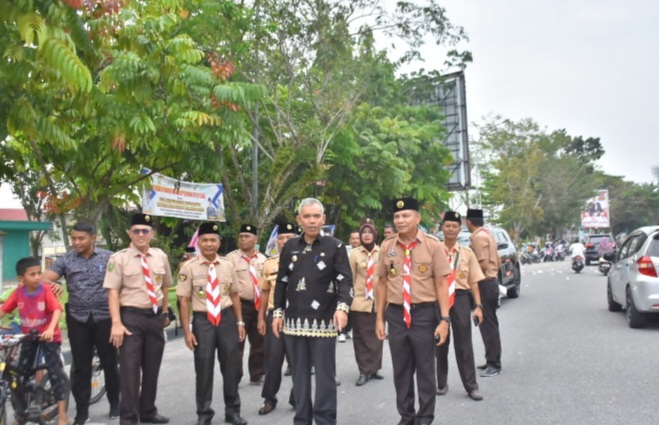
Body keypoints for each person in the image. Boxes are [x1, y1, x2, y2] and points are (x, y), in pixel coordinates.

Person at [273, 198, 353, 425]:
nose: (312, 221)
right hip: (294, 322)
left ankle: (326, 420)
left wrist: (342, 308)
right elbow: (282, 281)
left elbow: (345, 280)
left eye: (316, 216)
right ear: (299, 220)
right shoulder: (289, 247)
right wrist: (278, 313)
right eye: (307, 216)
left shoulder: (335, 246)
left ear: (323, 219)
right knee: (299, 377)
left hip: (324, 321)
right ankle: (302, 420)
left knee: (326, 378)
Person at [375, 197, 451, 425]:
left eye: (406, 215)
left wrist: (445, 320)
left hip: (424, 314)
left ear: (418, 218)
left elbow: (441, 284)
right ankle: (406, 416)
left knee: (426, 369)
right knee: (401, 370)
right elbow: (382, 283)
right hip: (397, 315)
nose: (400, 220)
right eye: (397, 216)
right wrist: (379, 319)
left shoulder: (433, 245)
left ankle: (425, 417)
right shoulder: (387, 247)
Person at [43, 221, 120, 425]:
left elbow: (121, 282)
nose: (76, 242)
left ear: (93, 238)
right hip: (78, 319)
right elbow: (43, 279)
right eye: (74, 238)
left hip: (105, 317)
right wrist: (55, 283)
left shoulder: (109, 257)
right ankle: (82, 412)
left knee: (109, 362)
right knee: (81, 367)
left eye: (81, 238)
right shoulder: (66, 259)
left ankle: (115, 403)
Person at [103, 213, 172, 425]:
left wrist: (165, 312)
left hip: (154, 318)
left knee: (152, 368)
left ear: (152, 233)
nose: (141, 235)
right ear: (129, 233)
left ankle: (148, 411)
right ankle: (129, 418)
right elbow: (112, 291)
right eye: (136, 231)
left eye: (145, 231)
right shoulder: (119, 258)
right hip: (130, 317)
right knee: (130, 372)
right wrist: (116, 323)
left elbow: (165, 286)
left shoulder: (160, 256)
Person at [177, 222, 247, 425]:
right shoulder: (188, 267)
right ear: (199, 242)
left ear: (219, 242)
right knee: (204, 368)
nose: (209, 244)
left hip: (226, 319)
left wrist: (240, 322)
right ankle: (204, 413)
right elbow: (184, 300)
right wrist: (187, 331)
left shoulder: (228, 265)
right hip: (203, 321)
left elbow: (234, 295)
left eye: (213, 240)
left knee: (231, 368)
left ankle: (233, 411)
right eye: (205, 240)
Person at [0, 257, 68, 425]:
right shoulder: (18, 293)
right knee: (21, 373)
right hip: (29, 337)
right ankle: (21, 413)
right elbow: (4, 310)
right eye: (32, 274)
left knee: (54, 373)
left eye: (39, 273)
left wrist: (51, 329)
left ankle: (61, 415)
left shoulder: (45, 290)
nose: (38, 277)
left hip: (49, 337)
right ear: (21, 279)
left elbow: (57, 310)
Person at [435, 211, 485, 401]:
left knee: (464, 343)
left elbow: (474, 281)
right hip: (438, 300)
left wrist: (478, 305)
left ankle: (471, 386)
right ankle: (441, 383)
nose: (450, 229)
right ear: (442, 228)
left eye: (455, 226)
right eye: (447, 226)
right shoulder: (434, 251)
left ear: (460, 229)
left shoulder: (467, 253)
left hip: (461, 298)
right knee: (439, 341)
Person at [256, 221, 297, 415]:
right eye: (281, 238)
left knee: (299, 360)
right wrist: (261, 318)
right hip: (275, 316)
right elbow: (264, 292)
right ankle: (269, 398)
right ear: (276, 241)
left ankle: (297, 396)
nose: (285, 241)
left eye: (289, 238)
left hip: (299, 316)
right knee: (273, 359)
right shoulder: (269, 263)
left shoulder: (307, 260)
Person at [225, 224, 267, 384]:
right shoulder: (230, 259)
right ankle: (234, 376)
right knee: (237, 342)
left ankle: (257, 374)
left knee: (259, 342)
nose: (243, 239)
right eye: (241, 236)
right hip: (240, 305)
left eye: (247, 236)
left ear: (255, 239)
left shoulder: (263, 259)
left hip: (259, 305)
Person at [465, 209, 503, 378]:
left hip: (485, 284)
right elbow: (498, 261)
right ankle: (490, 360)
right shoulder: (488, 234)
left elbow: (484, 264)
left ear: (469, 222)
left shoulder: (478, 237)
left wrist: (467, 275)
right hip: (490, 282)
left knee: (488, 324)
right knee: (487, 323)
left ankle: (494, 364)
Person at [348, 219, 384, 387]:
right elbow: (351, 279)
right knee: (361, 338)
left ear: (375, 234)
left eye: (370, 232)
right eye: (364, 233)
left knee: (377, 337)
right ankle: (364, 371)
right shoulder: (354, 254)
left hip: (379, 302)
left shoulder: (383, 251)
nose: (367, 235)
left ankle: (375, 368)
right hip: (360, 301)